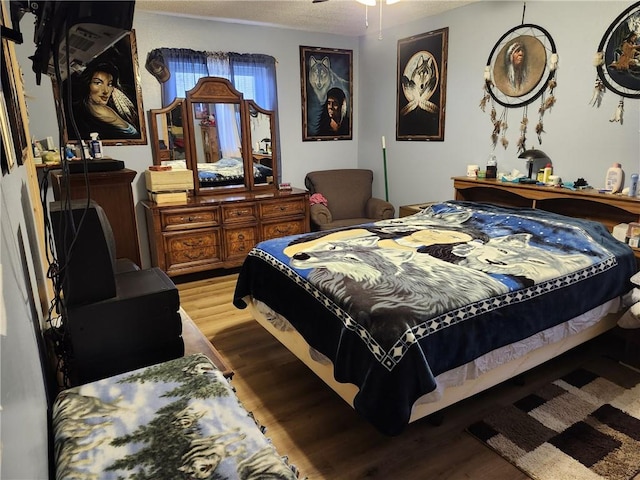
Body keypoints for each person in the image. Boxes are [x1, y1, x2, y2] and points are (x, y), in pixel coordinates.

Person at [71, 62, 139, 140]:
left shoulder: (116, 106)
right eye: (98, 83)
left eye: (109, 84)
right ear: (87, 84)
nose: (106, 91)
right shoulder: (82, 119)